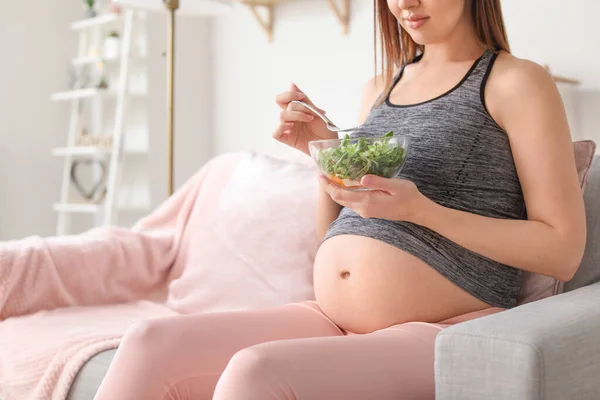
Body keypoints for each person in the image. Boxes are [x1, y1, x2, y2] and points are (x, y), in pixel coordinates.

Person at [93, 0, 586, 398]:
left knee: (256, 372)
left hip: (449, 325)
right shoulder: (381, 87)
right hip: (333, 316)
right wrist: (322, 151)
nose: (404, 4)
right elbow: (335, 232)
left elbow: (561, 250)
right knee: (147, 343)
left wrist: (422, 211)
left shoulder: (515, 81)